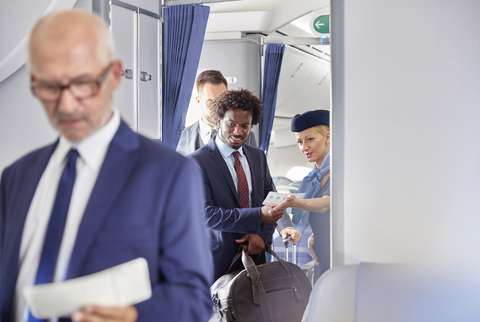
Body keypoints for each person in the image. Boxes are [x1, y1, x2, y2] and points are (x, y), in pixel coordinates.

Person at [0, 10, 212, 322]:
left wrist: (133, 316)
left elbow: (194, 300)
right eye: (48, 87)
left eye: (83, 83)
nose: (67, 105)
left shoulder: (169, 174)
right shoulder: (17, 176)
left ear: (113, 75)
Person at [189, 88, 300, 282]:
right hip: (218, 262)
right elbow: (206, 214)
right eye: (231, 124)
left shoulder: (257, 156)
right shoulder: (197, 162)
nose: (238, 132)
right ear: (218, 122)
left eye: (245, 126)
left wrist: (260, 236)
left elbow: (270, 198)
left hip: (257, 256)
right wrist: (257, 216)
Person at [272, 110, 330, 283]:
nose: (304, 147)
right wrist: (315, 237)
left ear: (328, 137)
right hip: (321, 253)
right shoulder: (314, 177)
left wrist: (296, 202)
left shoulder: (339, 170)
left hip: (339, 254)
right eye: (299, 141)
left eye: (309, 139)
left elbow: (326, 204)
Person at [176, 70, 257, 156]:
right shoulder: (180, 139)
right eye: (210, 102)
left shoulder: (246, 136)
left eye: (221, 101)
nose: (216, 108)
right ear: (198, 101)